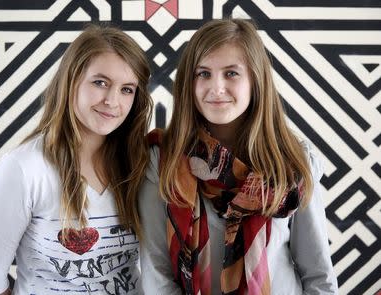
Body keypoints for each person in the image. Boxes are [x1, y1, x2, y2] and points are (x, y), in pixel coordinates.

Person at [139, 18, 338, 294]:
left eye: (231, 73)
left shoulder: (293, 161)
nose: (216, 87)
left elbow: (318, 276)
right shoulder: (163, 160)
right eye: (203, 74)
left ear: (255, 80)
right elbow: (156, 274)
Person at [0, 24, 153, 295]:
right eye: (100, 82)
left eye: (127, 89)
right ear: (71, 80)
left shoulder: (141, 163)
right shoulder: (23, 170)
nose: (113, 101)